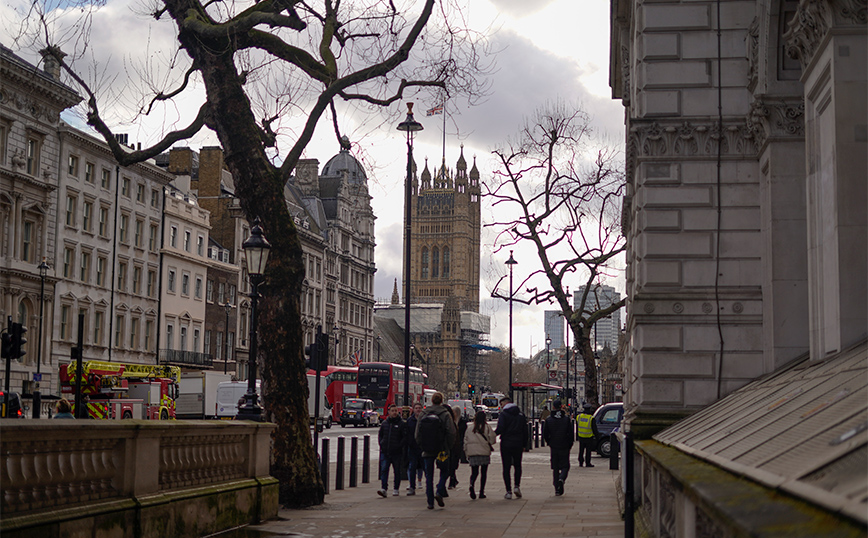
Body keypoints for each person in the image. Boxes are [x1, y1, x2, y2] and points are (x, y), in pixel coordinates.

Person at [415, 392, 457, 509]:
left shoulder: (424, 413)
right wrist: (448, 445)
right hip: (441, 449)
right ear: (441, 401)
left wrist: (422, 445)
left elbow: (417, 433)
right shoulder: (445, 414)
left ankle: (430, 502)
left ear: (432, 401)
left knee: (429, 476)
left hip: (427, 449)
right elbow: (451, 432)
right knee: (444, 471)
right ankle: (439, 491)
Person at [495, 396, 527, 499]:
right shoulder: (521, 415)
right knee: (517, 465)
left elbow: (500, 428)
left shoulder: (504, 415)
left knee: (506, 467)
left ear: (505, 403)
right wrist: (524, 445)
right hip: (518, 443)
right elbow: (525, 431)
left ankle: (508, 491)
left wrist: (491, 434)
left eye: (501, 404)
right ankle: (517, 486)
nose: (501, 406)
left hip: (506, 443)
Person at [543, 400, 574, 495]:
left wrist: (549, 442)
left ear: (553, 407)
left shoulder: (549, 419)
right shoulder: (566, 419)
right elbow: (571, 433)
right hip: (564, 445)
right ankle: (562, 478)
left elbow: (545, 434)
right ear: (561, 407)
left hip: (554, 445)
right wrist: (570, 444)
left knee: (555, 467)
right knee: (565, 465)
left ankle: (557, 487)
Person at [463, 409, 495, 499]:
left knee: (474, 472)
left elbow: (465, 441)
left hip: (473, 452)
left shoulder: (470, 428)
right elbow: (492, 439)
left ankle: (472, 485)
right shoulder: (487, 427)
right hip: (484, 452)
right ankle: (481, 492)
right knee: (483, 473)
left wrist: (467, 453)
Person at [377, 404, 408, 497]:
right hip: (385, 451)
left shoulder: (401, 424)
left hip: (396, 452)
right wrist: (382, 444)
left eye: (395, 411)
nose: (394, 413)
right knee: (384, 469)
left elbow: (404, 437)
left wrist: (399, 446)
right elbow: (380, 435)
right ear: (389, 412)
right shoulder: (385, 423)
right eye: (392, 411)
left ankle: (396, 489)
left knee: (397, 471)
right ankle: (383, 488)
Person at [405, 402, 425, 495]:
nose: (418, 410)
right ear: (413, 409)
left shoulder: (424, 420)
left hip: (422, 448)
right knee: (412, 468)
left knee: (425, 468)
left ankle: (428, 487)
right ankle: (412, 487)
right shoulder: (410, 420)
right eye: (416, 408)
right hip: (412, 448)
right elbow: (407, 434)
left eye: (419, 408)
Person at [447, 406, 467, 489]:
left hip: (458, 445)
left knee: (453, 464)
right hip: (451, 445)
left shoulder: (462, 422)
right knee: (451, 464)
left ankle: (452, 480)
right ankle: (453, 479)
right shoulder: (450, 422)